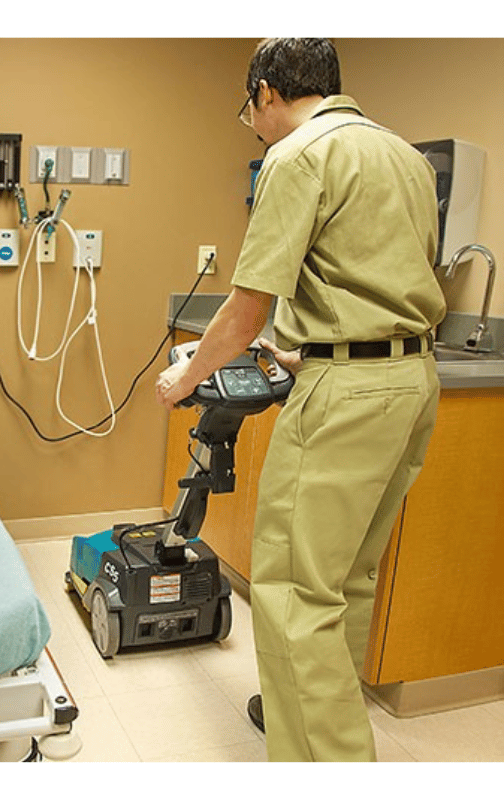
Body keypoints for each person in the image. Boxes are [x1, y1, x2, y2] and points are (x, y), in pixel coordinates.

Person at [156, 38, 446, 761]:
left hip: (347, 397)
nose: (253, 125)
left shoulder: (297, 154)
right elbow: (375, 276)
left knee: (291, 592)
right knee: (346, 579)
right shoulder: (404, 156)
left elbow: (245, 312)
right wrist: (308, 347)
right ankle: (319, 717)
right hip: (411, 383)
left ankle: (326, 762)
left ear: (266, 91)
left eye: (249, 109)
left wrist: (184, 379)